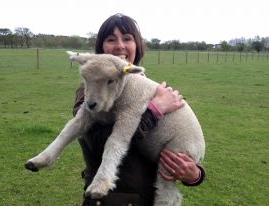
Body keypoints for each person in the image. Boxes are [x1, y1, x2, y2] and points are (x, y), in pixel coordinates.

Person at [73, 13, 205, 206]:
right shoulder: (90, 92)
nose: (120, 46)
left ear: (137, 45)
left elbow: (177, 145)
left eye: (127, 38)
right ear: (101, 47)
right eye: (111, 39)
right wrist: (154, 111)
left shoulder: (150, 89)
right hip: (110, 200)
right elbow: (95, 141)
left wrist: (194, 174)